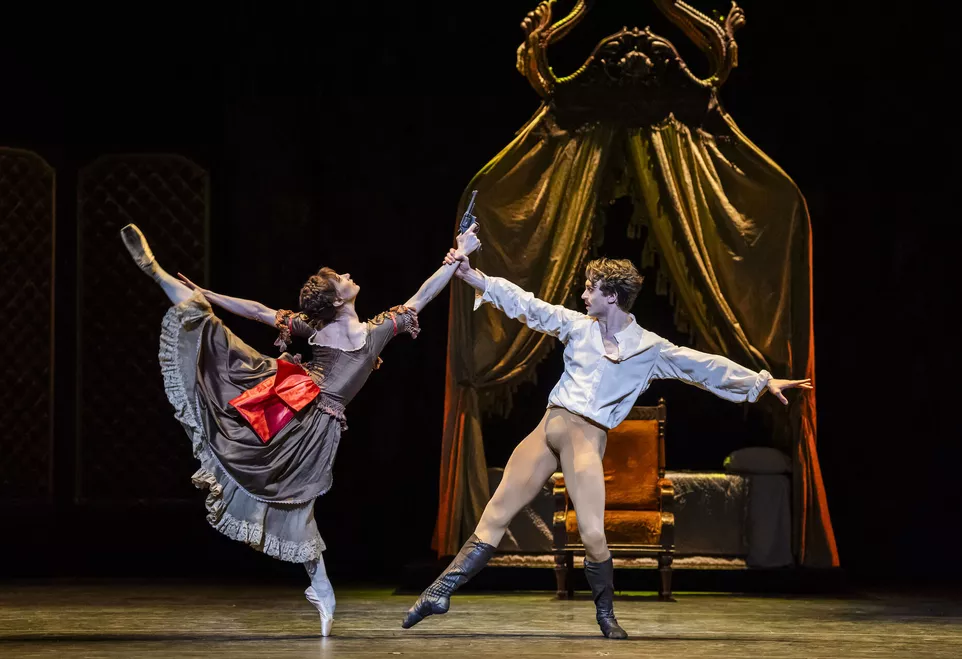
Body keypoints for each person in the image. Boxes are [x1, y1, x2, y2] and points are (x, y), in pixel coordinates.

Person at [402, 253, 811, 639]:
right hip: (547, 429)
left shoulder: (650, 349)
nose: (583, 296)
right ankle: (439, 592)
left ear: (611, 296)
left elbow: (702, 367)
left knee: (593, 533)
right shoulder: (577, 327)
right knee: (496, 512)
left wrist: (760, 382)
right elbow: (527, 304)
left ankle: (605, 612)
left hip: (585, 440)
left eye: (589, 288)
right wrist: (473, 275)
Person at [119, 221, 480, 636]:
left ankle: (321, 587)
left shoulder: (374, 331)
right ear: (336, 298)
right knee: (219, 338)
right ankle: (162, 276)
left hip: (312, 417)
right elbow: (258, 311)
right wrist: (209, 294)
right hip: (292, 394)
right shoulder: (322, 329)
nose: (347, 276)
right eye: (340, 279)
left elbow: (422, 296)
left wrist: (455, 259)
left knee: (295, 498)